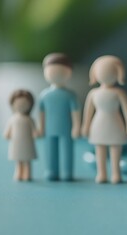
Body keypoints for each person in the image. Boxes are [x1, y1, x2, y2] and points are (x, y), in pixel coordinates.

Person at [81, 55, 127, 184]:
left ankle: (116, 173)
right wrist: (85, 125)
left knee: (115, 149)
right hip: (98, 125)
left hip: (115, 124)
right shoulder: (93, 93)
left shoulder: (119, 93)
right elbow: (88, 112)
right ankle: (102, 173)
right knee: (100, 149)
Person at [39, 53, 81, 181]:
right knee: (50, 150)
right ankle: (51, 170)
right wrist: (41, 128)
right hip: (49, 129)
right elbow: (41, 113)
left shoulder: (70, 95)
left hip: (67, 128)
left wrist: (76, 127)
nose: (56, 74)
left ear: (69, 72)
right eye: (52, 71)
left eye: (61, 71)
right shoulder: (44, 95)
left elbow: (76, 111)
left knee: (67, 150)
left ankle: (67, 171)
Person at [4, 90, 37, 181]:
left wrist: (35, 134)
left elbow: (34, 130)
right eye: (18, 103)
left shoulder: (29, 119)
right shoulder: (12, 119)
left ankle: (27, 174)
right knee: (19, 160)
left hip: (27, 142)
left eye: (25, 104)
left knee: (27, 159)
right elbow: (8, 130)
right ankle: (19, 173)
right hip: (16, 143)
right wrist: (7, 134)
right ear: (12, 104)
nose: (21, 106)